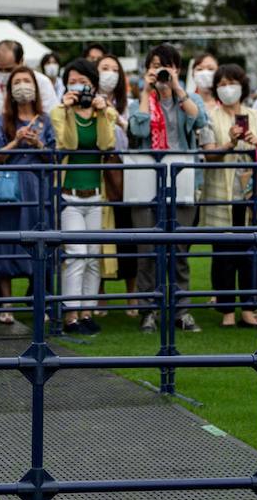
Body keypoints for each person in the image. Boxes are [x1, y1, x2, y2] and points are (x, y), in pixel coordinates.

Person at [126, 43, 210, 333]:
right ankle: (148, 310)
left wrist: (176, 87)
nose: (161, 71)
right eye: (156, 66)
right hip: (145, 181)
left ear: (176, 68)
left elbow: (198, 120)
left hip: (182, 180)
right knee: (147, 249)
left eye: (167, 65)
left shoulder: (188, 98)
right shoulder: (140, 100)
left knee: (179, 251)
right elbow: (137, 130)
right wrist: (143, 92)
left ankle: (181, 311)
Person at [51, 59, 120, 334]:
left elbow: (107, 144)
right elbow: (69, 144)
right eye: (73, 80)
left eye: (83, 81)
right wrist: (68, 110)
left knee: (92, 256)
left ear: (93, 84)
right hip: (69, 195)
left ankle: (87, 311)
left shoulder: (105, 112)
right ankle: (70, 315)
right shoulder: (58, 111)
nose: (78, 86)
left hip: (95, 194)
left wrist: (102, 113)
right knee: (76, 254)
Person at [201, 64, 257, 328]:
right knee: (224, 254)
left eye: (232, 82)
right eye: (222, 83)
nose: (228, 88)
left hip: (252, 193)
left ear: (243, 85)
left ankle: (250, 308)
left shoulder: (256, 115)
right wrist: (229, 143)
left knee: (252, 253)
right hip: (222, 193)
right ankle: (227, 310)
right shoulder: (210, 116)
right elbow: (208, 154)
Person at [0, 66, 56, 325]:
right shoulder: (1, 120)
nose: (23, 86)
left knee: (39, 243)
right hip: (7, 190)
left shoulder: (46, 120)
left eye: (27, 81)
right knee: (3, 243)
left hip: (37, 188)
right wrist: (16, 141)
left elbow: (54, 157)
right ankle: (6, 302)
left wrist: (38, 143)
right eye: (18, 82)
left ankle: (40, 301)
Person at [96, 54, 138, 315]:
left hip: (129, 175)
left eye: (114, 69)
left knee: (129, 236)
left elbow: (136, 135)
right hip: (101, 176)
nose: (109, 73)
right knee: (100, 236)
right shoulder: (88, 102)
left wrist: (118, 118)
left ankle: (132, 296)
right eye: (104, 68)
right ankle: (100, 296)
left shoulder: (130, 105)